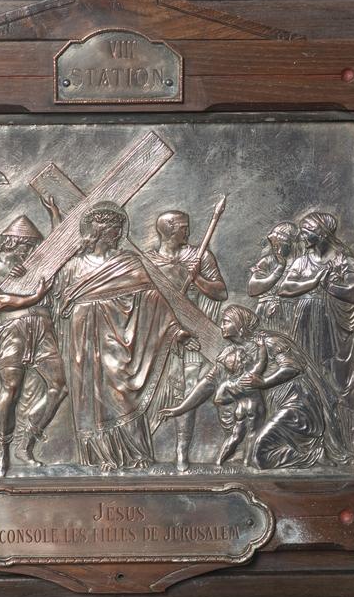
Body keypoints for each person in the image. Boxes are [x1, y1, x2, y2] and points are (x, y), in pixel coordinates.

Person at [55, 201, 195, 471]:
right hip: (83, 336)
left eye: (120, 228)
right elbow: (58, 301)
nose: (119, 234)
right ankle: (101, 456)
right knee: (91, 393)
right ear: (99, 231)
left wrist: (174, 328)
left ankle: (135, 452)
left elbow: (152, 296)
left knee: (121, 390)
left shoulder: (128, 261)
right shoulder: (74, 266)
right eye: (113, 229)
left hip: (120, 334)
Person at [0, 215, 68, 477]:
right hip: (11, 330)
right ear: (11, 242)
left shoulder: (35, 264)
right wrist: (34, 295)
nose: (30, 251)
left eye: (33, 247)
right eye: (26, 246)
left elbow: (62, 248)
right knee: (11, 389)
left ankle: (26, 443)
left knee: (59, 386)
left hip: (42, 327)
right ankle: (1, 453)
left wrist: (53, 214)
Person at [145, 210, 228, 471]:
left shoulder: (199, 256)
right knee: (155, 391)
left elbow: (221, 293)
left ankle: (182, 450)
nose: (188, 232)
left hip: (194, 333)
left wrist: (198, 279)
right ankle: (143, 449)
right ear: (169, 230)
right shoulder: (149, 261)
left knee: (190, 389)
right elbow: (143, 303)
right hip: (160, 337)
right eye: (183, 227)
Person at [278, 211, 354, 444]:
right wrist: (314, 282)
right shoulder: (302, 261)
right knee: (308, 376)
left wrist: (330, 288)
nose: (302, 237)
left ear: (322, 234)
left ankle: (342, 434)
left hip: (333, 326)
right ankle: (312, 431)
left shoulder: (344, 260)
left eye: (306, 232)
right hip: (305, 324)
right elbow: (284, 289)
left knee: (334, 378)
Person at [159, 305, 267, 466]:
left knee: (245, 437)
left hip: (254, 408)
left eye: (226, 322)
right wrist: (179, 409)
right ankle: (233, 460)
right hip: (241, 411)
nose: (221, 325)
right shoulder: (228, 353)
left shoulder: (261, 345)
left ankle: (242, 460)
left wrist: (264, 382)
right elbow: (208, 384)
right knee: (239, 437)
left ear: (239, 324)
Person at [246, 221, 299, 334]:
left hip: (293, 313)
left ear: (292, 243)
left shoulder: (301, 263)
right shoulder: (268, 261)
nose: (277, 250)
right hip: (266, 311)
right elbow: (253, 289)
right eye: (275, 245)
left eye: (281, 245)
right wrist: (279, 269)